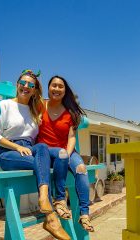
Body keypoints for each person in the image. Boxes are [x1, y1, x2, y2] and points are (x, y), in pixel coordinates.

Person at [0, 70, 70, 240]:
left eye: (31, 85)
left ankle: (43, 198)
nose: (26, 86)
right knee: (42, 163)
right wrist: (16, 148)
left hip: (30, 149)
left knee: (43, 147)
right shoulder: (4, 105)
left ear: (34, 90)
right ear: (17, 84)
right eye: (23, 83)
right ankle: (51, 219)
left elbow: (52, 107)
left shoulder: (34, 109)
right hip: (9, 152)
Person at [37, 75, 94, 232]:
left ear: (65, 90)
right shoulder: (40, 105)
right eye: (53, 85)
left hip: (66, 151)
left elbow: (71, 138)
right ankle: (60, 200)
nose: (56, 88)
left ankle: (84, 214)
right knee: (61, 154)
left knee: (81, 169)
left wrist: (68, 154)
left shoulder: (71, 112)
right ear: (48, 88)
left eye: (60, 86)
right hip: (45, 151)